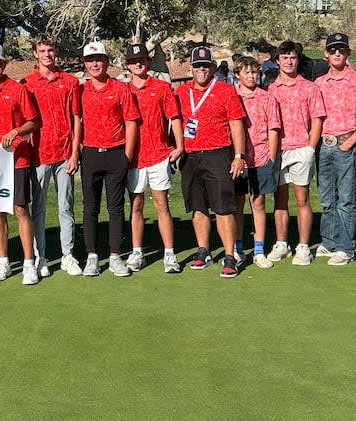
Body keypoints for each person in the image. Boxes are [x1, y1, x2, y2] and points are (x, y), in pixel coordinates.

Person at [175, 45, 246, 278]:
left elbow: (237, 124)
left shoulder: (226, 90)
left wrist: (239, 156)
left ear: (213, 68)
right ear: (191, 68)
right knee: (197, 206)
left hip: (218, 153)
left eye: (206, 66)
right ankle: (203, 250)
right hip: (191, 155)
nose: (202, 70)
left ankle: (229, 255)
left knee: (223, 207)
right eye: (197, 66)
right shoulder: (182, 91)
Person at [313, 32, 356, 266]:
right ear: (326, 55)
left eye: (341, 49)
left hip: (347, 144)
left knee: (347, 199)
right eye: (333, 50)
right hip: (325, 145)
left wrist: (349, 143)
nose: (337, 53)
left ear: (348, 53)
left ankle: (345, 247)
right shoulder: (319, 84)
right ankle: (329, 241)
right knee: (327, 198)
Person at [22, 34, 83, 277]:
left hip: (64, 153)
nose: (47, 54)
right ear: (35, 54)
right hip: (37, 155)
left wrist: (75, 152)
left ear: (55, 52)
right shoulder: (27, 83)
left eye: (51, 50)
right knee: (38, 208)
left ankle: (67, 255)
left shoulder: (69, 81)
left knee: (65, 206)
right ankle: (40, 257)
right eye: (43, 50)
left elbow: (76, 118)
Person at [0, 42, 41, 285]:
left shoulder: (18, 89)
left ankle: (28, 263)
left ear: (5, 64)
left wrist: (16, 131)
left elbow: (34, 122)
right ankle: (3, 261)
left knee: (19, 209)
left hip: (18, 158)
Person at [79, 41, 139, 277]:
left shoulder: (120, 88)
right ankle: (92, 257)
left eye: (99, 59)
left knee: (115, 208)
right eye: (90, 60)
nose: (95, 64)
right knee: (90, 208)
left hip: (116, 153)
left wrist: (127, 156)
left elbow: (131, 121)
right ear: (85, 64)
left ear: (106, 62)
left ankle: (115, 256)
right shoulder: (81, 90)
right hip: (91, 154)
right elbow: (77, 122)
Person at [124, 42, 184, 274]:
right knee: (136, 205)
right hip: (134, 158)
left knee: (162, 204)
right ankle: (137, 252)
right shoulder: (124, 90)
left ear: (148, 62)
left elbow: (175, 116)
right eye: (133, 61)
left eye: (141, 60)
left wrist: (179, 146)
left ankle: (169, 254)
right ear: (128, 65)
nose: (138, 63)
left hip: (159, 153)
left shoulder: (161, 87)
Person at [267, 41, 326, 266]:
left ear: (298, 60)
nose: (289, 61)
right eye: (284, 58)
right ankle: (282, 243)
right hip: (279, 149)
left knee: (302, 199)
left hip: (302, 148)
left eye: (292, 57)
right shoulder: (271, 89)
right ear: (278, 61)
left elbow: (317, 119)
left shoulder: (309, 87)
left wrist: (311, 148)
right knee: (280, 199)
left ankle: (303, 246)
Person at [231, 57, 281, 269]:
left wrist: (270, 156)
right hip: (236, 159)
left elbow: (273, 128)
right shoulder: (231, 96)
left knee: (258, 203)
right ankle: (237, 248)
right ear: (237, 75)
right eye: (247, 73)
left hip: (260, 157)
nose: (252, 77)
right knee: (237, 204)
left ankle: (259, 250)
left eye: (255, 73)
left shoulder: (266, 98)